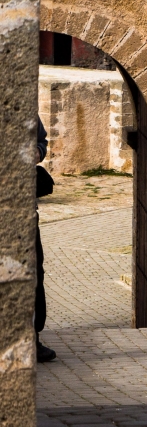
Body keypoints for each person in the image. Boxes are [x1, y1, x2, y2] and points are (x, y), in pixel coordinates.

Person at [35, 118, 55, 362]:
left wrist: (37, 151)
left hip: (24, 212)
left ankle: (32, 336)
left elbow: (42, 139)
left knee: (34, 273)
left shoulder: (22, 105)